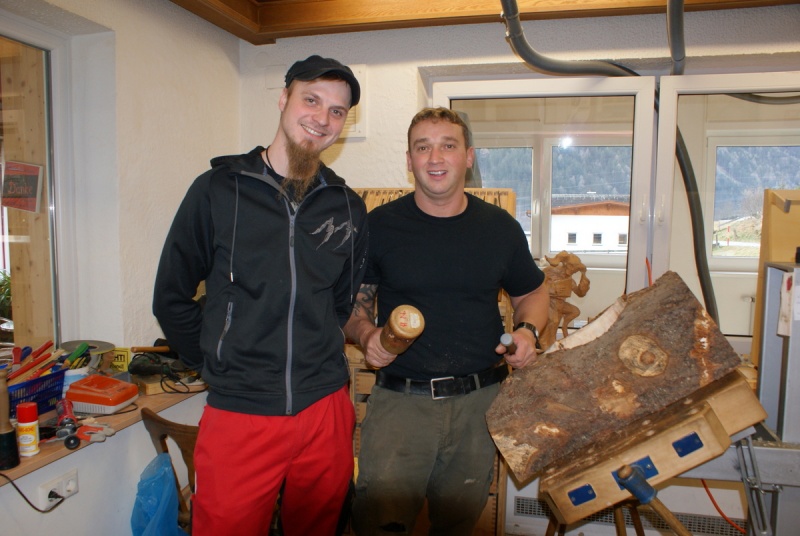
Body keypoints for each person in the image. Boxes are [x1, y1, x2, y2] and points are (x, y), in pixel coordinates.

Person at [152, 55, 368, 536]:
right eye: (311, 100)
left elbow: (339, 303)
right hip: (240, 413)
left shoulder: (347, 206)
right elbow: (171, 296)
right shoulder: (218, 190)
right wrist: (217, 361)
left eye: (337, 111)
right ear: (284, 98)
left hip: (325, 408)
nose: (322, 118)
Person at [344, 107, 550, 535]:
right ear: (409, 160)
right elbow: (350, 306)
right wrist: (366, 335)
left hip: (480, 405)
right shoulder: (379, 225)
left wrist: (528, 331)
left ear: (468, 157)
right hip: (400, 406)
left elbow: (532, 293)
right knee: (380, 525)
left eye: (448, 146)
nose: (435, 158)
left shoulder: (499, 227)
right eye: (423, 148)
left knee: (458, 526)